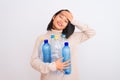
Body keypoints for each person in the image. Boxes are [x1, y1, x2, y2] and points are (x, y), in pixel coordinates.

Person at [30, 9, 96, 80]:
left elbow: (91, 32)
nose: (61, 21)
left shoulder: (73, 37)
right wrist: (53, 66)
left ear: (68, 24)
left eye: (66, 21)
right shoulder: (42, 38)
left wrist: (73, 20)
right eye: (60, 17)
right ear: (54, 17)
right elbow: (34, 62)